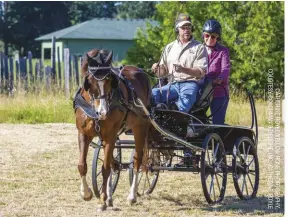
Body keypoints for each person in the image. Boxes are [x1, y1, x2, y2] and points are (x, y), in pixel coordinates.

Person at [151, 13, 208, 114]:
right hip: (171, 84)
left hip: (190, 84)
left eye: (189, 27)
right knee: (153, 93)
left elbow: (201, 72)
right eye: (183, 27)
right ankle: (156, 116)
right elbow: (162, 73)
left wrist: (183, 69)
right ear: (177, 29)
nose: (187, 30)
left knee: (183, 103)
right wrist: (157, 69)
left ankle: (174, 114)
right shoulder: (169, 47)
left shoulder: (199, 47)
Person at [202, 19, 231, 124]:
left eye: (213, 36)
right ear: (203, 35)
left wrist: (219, 79)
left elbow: (226, 69)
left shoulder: (223, 51)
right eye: (207, 35)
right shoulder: (198, 50)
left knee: (218, 123)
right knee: (196, 118)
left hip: (218, 92)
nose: (210, 39)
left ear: (218, 37)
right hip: (202, 92)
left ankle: (219, 138)